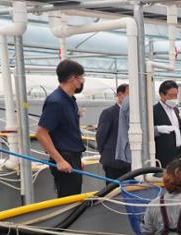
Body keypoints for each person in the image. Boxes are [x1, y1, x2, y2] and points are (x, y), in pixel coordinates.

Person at [35, 59, 86, 198]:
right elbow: (41, 133)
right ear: (72, 79)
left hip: (72, 158)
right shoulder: (56, 101)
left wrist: (77, 160)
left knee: (74, 198)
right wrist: (60, 160)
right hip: (65, 158)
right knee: (68, 201)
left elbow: (69, 132)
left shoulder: (70, 100)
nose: (82, 81)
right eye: (81, 77)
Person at [96, 83, 130, 181]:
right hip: (114, 162)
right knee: (114, 190)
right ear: (120, 95)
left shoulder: (133, 113)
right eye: (129, 94)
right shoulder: (109, 113)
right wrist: (106, 154)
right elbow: (101, 137)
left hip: (130, 162)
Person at [153, 80, 181, 168]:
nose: (174, 98)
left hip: (178, 152)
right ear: (161, 95)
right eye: (171, 95)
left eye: (176, 95)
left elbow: (179, 129)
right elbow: (146, 131)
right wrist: (157, 129)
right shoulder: (153, 110)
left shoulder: (175, 110)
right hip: (163, 156)